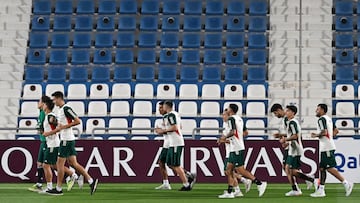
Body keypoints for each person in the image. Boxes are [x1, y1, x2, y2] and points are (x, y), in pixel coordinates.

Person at [46, 91, 98, 195]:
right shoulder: (61, 110)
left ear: (59, 98)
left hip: (66, 140)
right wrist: (56, 123)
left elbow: (78, 121)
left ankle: (59, 189)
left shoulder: (66, 108)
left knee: (59, 164)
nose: (54, 102)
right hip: (68, 139)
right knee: (73, 164)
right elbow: (63, 123)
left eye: (54, 99)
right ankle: (91, 181)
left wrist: (63, 127)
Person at [218, 104, 267, 198]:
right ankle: (230, 192)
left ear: (230, 110)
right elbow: (242, 132)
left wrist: (224, 137)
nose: (226, 111)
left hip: (236, 148)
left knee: (240, 170)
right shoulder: (239, 119)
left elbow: (233, 131)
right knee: (229, 170)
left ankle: (259, 183)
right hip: (235, 147)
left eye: (227, 109)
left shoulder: (231, 119)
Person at [310, 104, 353, 197]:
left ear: (322, 110)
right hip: (327, 146)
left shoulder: (321, 119)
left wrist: (316, 135)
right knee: (322, 168)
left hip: (326, 147)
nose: (316, 111)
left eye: (317, 109)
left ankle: (346, 183)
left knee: (329, 168)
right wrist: (330, 138)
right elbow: (336, 131)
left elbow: (324, 132)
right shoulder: (328, 119)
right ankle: (321, 190)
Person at [39, 97, 79, 194]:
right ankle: (72, 174)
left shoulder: (51, 117)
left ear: (46, 106)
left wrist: (47, 134)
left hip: (54, 144)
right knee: (54, 165)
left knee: (46, 165)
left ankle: (50, 187)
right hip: (51, 143)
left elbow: (58, 128)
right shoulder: (48, 116)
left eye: (43, 104)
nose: (42, 106)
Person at [156, 100, 195, 191]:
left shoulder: (171, 115)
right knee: (167, 163)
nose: (160, 110)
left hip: (174, 142)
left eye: (161, 107)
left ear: (166, 107)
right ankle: (169, 183)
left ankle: (186, 184)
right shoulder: (172, 115)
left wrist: (162, 131)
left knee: (175, 164)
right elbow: (178, 127)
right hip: (170, 142)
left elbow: (175, 128)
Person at [279, 105, 318, 196]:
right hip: (292, 148)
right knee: (288, 169)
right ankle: (298, 187)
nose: (286, 112)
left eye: (288, 111)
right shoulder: (289, 122)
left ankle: (311, 180)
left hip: (295, 149)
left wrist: (286, 140)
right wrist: (287, 141)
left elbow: (296, 135)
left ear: (293, 113)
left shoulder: (293, 122)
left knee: (289, 170)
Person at [217, 109, 252, 198]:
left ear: (229, 115)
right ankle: (237, 190)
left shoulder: (232, 122)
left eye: (224, 115)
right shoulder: (232, 123)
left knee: (228, 171)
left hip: (231, 151)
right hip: (230, 150)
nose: (223, 116)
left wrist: (226, 140)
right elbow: (244, 132)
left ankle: (244, 181)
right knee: (228, 171)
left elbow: (242, 133)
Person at [270, 104, 300, 191]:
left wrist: (285, 140)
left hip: (292, 146)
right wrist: (280, 136)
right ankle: (296, 187)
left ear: (279, 110)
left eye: (276, 113)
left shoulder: (288, 119)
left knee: (288, 168)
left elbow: (293, 134)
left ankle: (307, 180)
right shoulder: (285, 119)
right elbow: (288, 133)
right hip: (289, 145)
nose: (276, 115)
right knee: (285, 167)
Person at [28, 96, 47, 192]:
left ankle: (71, 175)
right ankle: (39, 183)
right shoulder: (41, 113)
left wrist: (40, 129)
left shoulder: (44, 113)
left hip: (46, 141)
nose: (37, 103)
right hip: (43, 140)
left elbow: (42, 127)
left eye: (39, 101)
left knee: (50, 165)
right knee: (40, 163)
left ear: (43, 103)